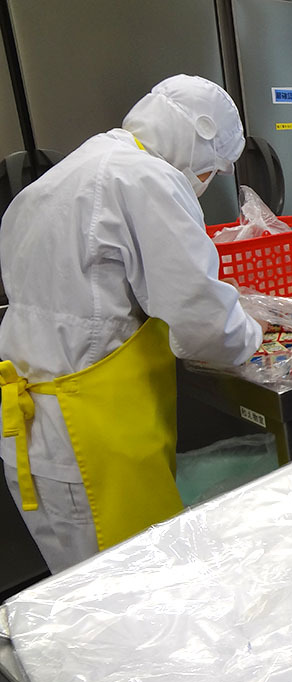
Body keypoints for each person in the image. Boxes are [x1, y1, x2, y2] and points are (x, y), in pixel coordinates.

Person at [0, 75, 263, 574]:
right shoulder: (145, 179)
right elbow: (203, 321)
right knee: (127, 590)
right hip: (91, 436)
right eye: (212, 169)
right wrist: (252, 331)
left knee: (82, 587)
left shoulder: (74, 171)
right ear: (199, 139)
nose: (206, 180)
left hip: (37, 431)